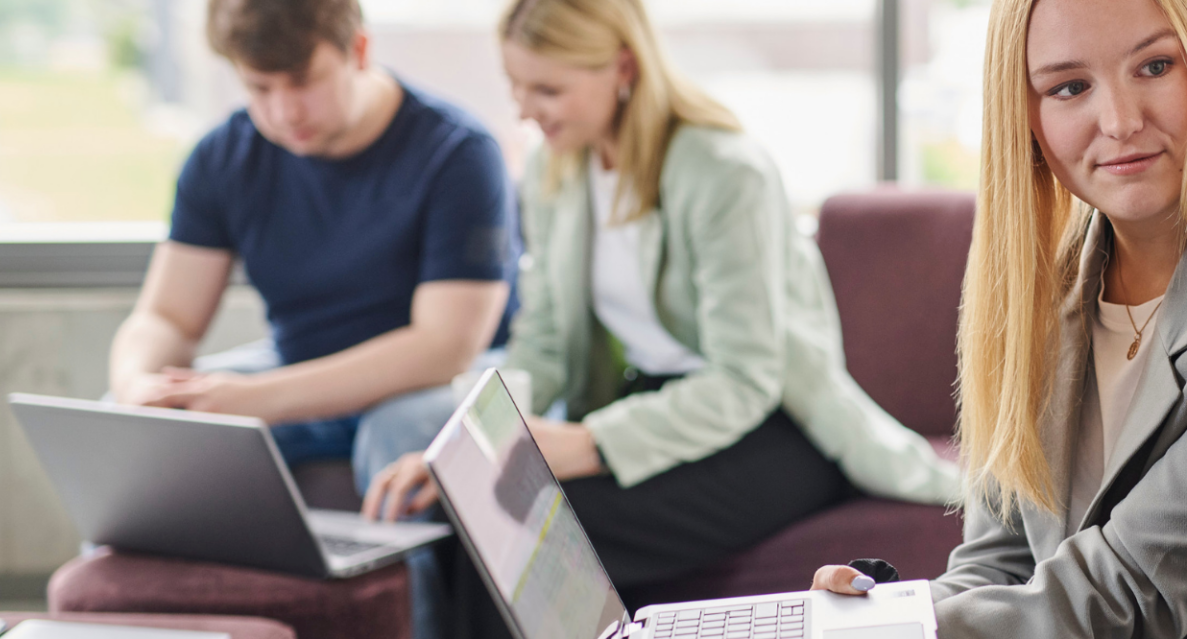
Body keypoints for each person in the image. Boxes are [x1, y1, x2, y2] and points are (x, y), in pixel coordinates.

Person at [812, 0, 1187, 637]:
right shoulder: (1041, 297)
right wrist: (882, 612)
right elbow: (1001, 564)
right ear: (1027, 118)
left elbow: (1128, 591)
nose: (1122, 121)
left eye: (1155, 66)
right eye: (1069, 87)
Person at [363, 0, 963, 635]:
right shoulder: (552, 168)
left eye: (548, 88)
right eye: (516, 86)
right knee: (473, 521)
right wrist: (480, 448)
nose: (523, 109)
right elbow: (540, 342)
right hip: (656, 404)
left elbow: (744, 380)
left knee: (526, 535)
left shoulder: (724, 171)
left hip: (773, 424)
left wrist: (589, 444)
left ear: (622, 66)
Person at [108, 0, 518, 494]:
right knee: (127, 421)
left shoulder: (459, 154)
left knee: (398, 428)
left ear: (358, 50)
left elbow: (444, 347)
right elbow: (168, 317)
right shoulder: (222, 158)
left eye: (303, 80)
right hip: (298, 367)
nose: (284, 112)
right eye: (259, 87)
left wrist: (259, 398)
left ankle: (416, 575)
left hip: (443, 380)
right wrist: (135, 385)